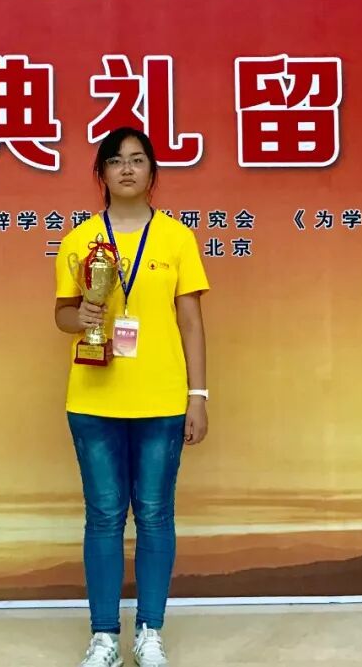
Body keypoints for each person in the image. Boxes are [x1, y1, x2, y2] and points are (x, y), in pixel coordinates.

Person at [54, 126, 210, 667]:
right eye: (116, 160)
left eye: (138, 160)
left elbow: (191, 322)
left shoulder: (176, 238)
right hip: (93, 400)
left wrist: (197, 395)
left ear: (152, 173)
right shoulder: (79, 240)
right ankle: (104, 636)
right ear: (101, 173)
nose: (127, 169)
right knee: (103, 516)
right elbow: (61, 315)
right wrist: (82, 316)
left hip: (162, 401)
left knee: (155, 514)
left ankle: (149, 631)